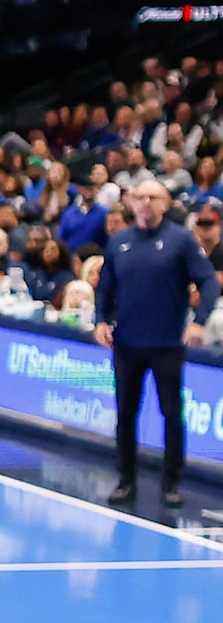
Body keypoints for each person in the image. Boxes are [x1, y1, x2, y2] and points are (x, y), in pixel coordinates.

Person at [96, 179, 219, 507]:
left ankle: (171, 483)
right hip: (126, 344)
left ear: (166, 204)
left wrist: (200, 322)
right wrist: (99, 320)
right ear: (131, 202)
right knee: (125, 413)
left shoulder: (180, 241)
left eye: (154, 197)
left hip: (166, 344)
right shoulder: (119, 242)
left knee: (171, 413)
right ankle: (126, 481)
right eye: (140, 196)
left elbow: (208, 282)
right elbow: (105, 287)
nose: (146, 202)